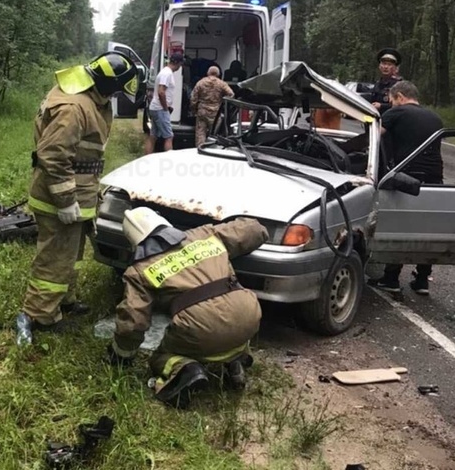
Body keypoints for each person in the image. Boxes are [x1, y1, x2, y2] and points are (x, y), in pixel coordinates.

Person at [19, 52, 139, 336]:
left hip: (79, 192)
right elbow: (52, 155)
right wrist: (66, 201)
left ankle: (63, 300)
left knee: (70, 253)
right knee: (55, 257)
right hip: (59, 198)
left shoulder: (89, 95)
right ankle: (40, 315)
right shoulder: (74, 107)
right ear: (108, 85)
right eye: (118, 90)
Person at [107, 207, 269, 408]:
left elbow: (133, 322)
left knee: (161, 357)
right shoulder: (206, 234)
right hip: (249, 314)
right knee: (230, 323)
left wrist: (121, 354)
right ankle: (235, 361)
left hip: (202, 329)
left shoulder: (139, 271)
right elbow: (254, 229)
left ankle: (186, 369)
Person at [371, 81, 443, 296]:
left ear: (400, 97)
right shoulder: (435, 117)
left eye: (392, 101)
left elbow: (374, 137)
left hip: (406, 178)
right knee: (427, 229)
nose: (391, 105)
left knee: (400, 225)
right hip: (434, 180)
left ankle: (391, 278)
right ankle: (422, 280)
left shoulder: (398, 113)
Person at [145, 52, 184, 154]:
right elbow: (161, 92)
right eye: (181, 64)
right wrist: (166, 108)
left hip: (156, 108)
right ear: (178, 63)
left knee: (153, 136)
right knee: (169, 137)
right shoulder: (167, 74)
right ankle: (169, 160)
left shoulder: (165, 72)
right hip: (160, 109)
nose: (180, 67)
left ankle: (147, 158)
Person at [190, 66, 234, 147]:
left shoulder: (201, 82)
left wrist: (194, 110)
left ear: (208, 73)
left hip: (202, 111)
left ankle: (200, 149)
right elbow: (231, 94)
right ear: (218, 74)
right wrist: (223, 104)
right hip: (215, 113)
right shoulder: (222, 84)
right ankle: (212, 150)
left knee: (200, 133)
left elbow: (193, 98)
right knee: (214, 134)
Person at [369, 48, 402, 115]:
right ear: (379, 66)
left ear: (395, 68)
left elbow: (400, 106)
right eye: (384, 64)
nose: (386, 67)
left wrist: (381, 106)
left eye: (389, 65)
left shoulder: (399, 85)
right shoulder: (378, 84)